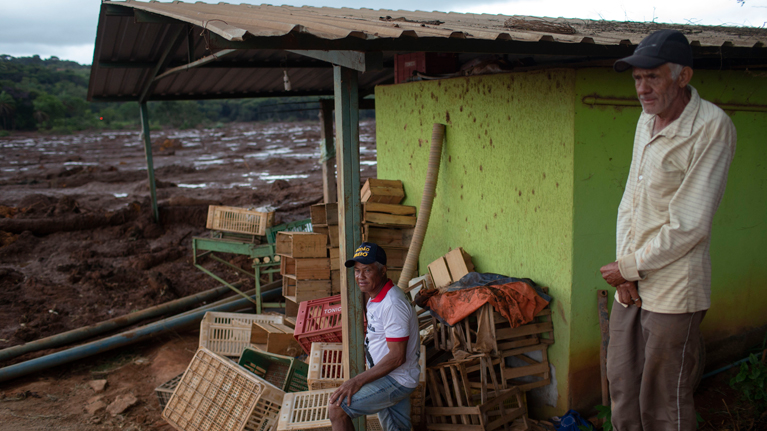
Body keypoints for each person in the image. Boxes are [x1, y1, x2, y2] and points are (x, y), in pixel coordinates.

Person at [599, 29, 736, 431]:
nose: (642, 89)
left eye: (652, 77)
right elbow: (631, 200)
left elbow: (689, 224)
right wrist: (625, 272)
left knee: (663, 399)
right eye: (637, 79)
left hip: (675, 287)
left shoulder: (712, 127)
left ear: (683, 76)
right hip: (634, 281)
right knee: (622, 384)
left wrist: (630, 266)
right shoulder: (647, 119)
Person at [328, 242, 421, 431]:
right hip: (387, 375)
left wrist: (357, 380)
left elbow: (397, 357)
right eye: (357, 271)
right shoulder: (376, 296)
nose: (360, 277)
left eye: (367, 270)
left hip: (395, 379)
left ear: (383, 270)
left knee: (337, 408)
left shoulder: (392, 304)